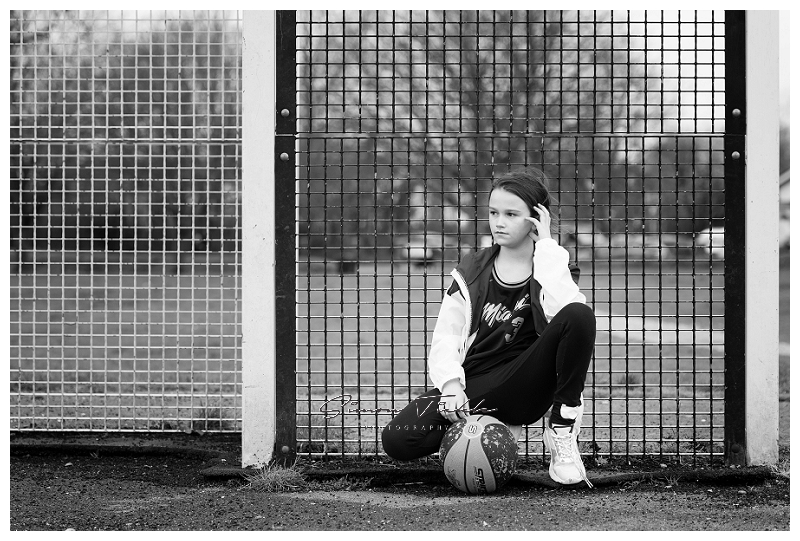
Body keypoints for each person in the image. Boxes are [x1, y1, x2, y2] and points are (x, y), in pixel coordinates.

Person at [381, 167, 597, 487]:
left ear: (537, 218)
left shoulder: (552, 264)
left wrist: (548, 245)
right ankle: (488, 430)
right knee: (399, 439)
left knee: (579, 313)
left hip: (528, 383)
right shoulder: (471, 268)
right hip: (477, 386)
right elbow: (448, 333)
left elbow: (564, 313)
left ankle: (562, 429)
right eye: (494, 212)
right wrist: (452, 386)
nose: (499, 222)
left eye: (511, 214)